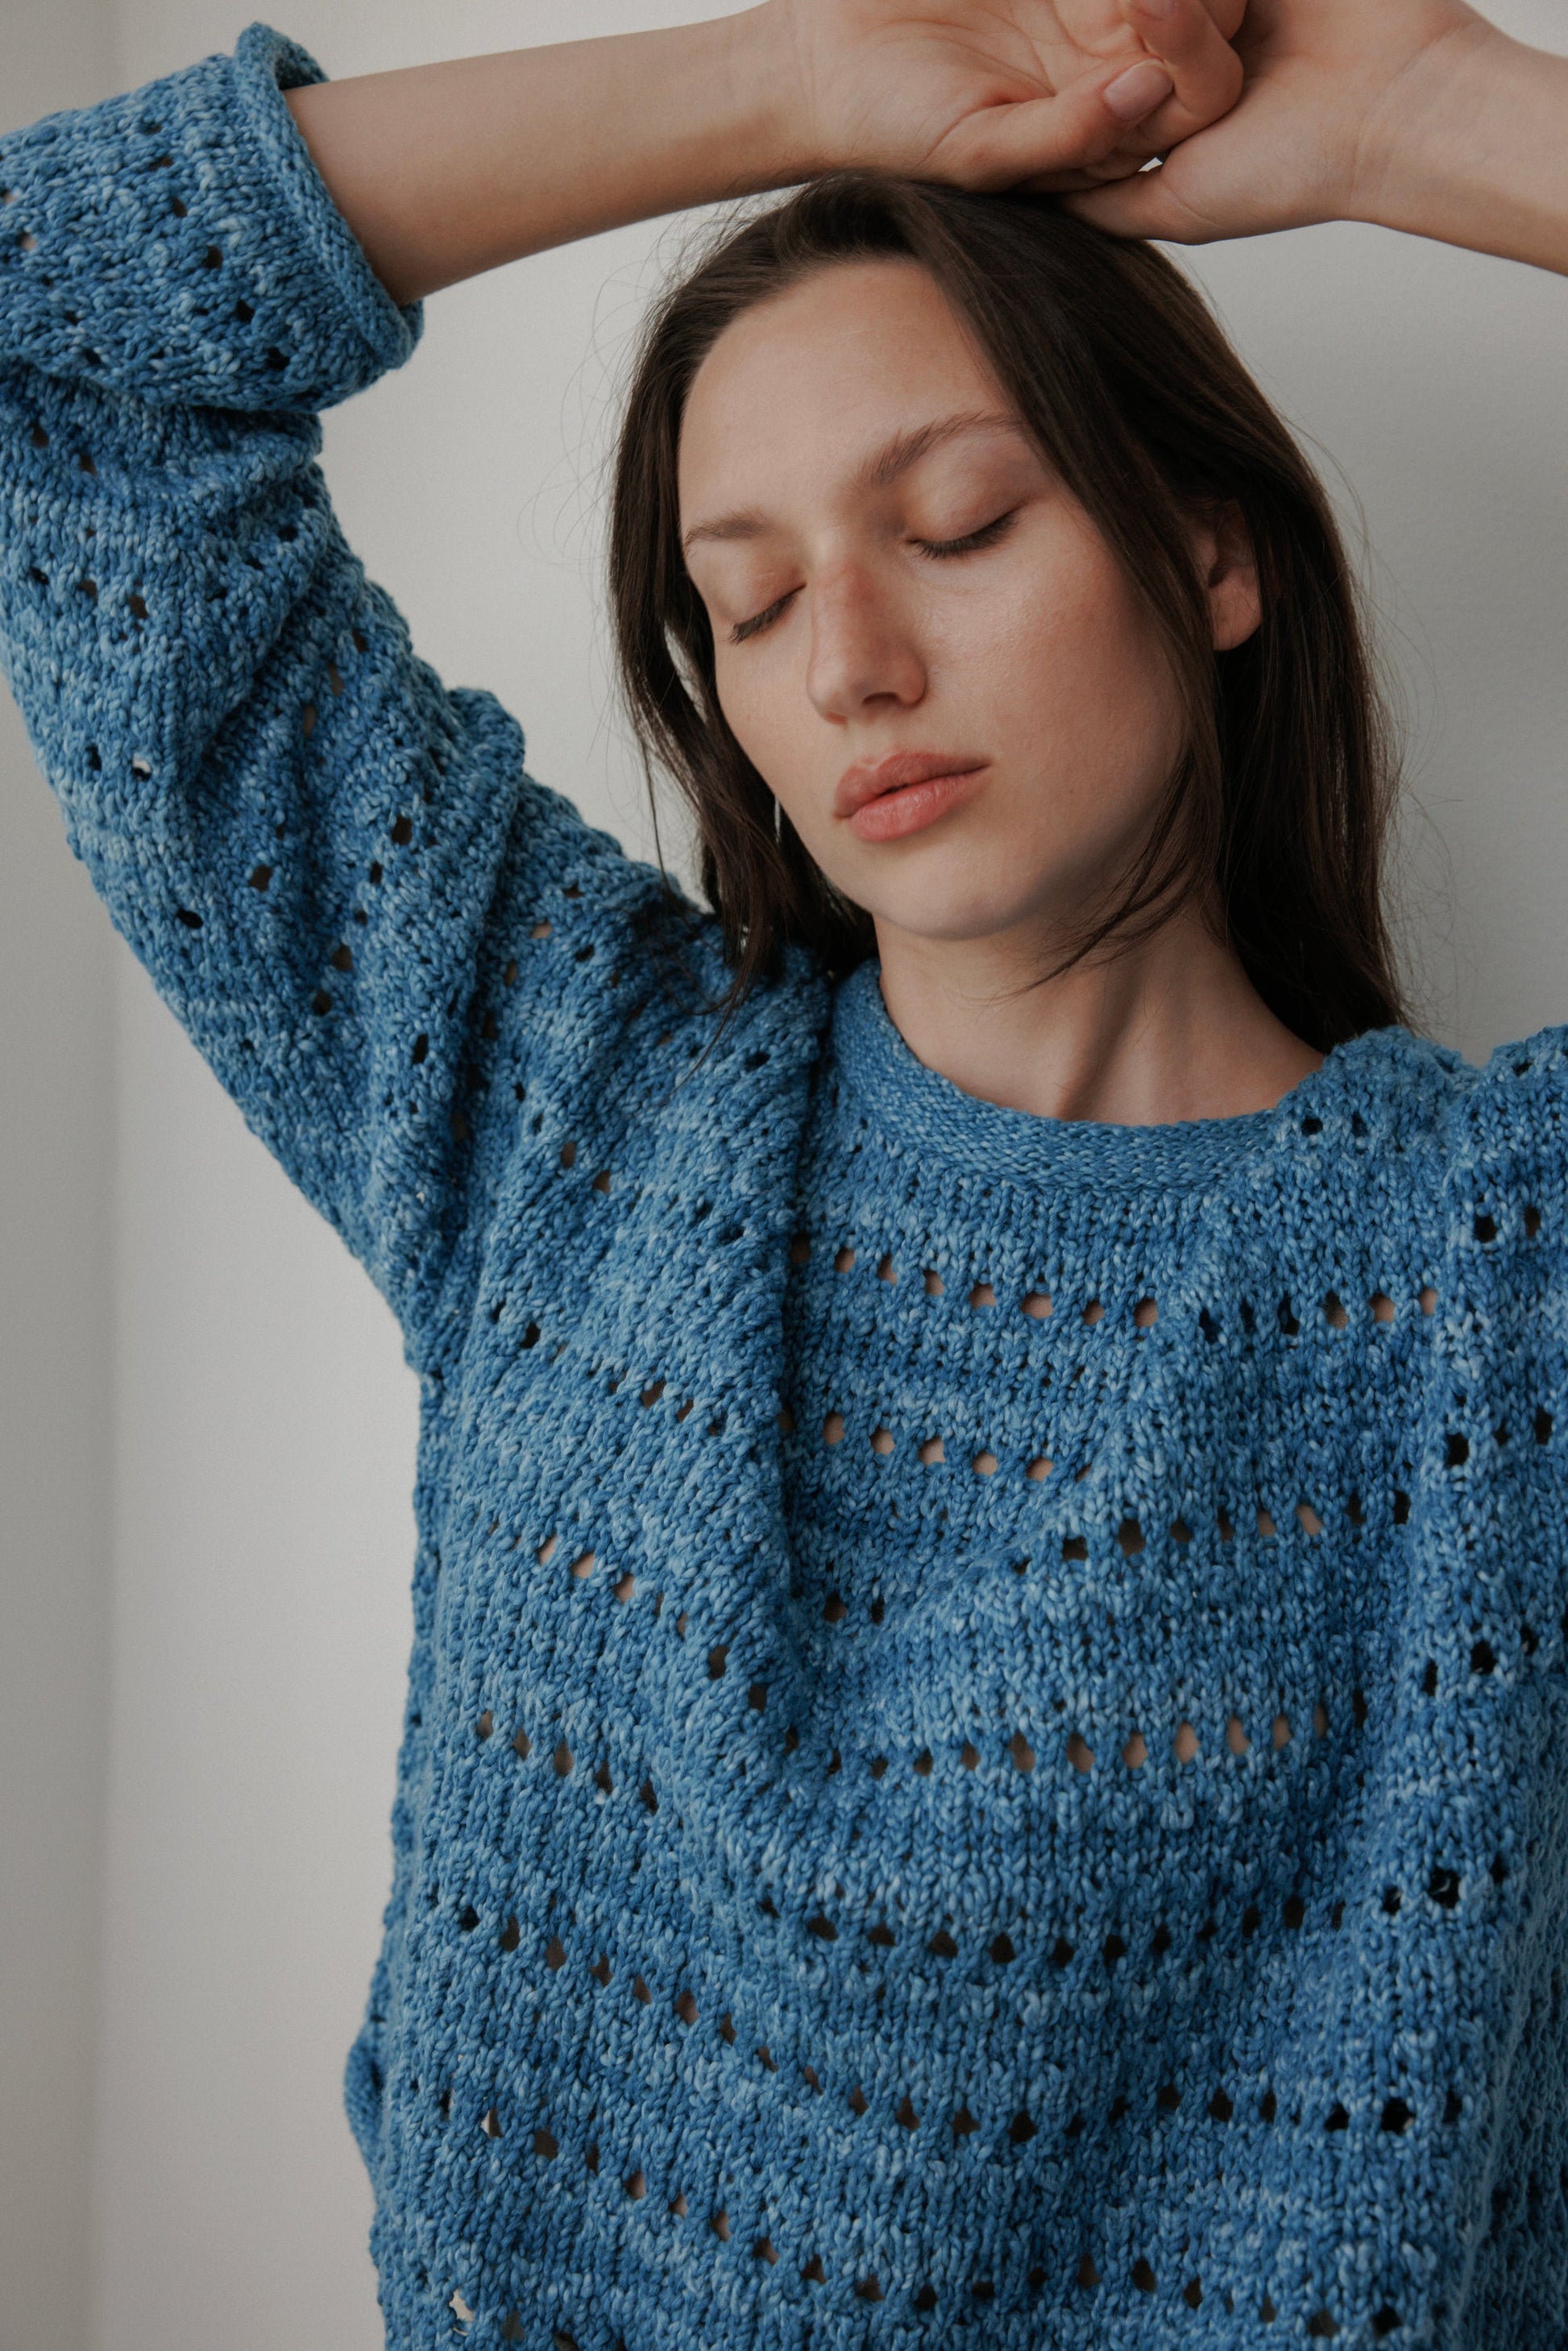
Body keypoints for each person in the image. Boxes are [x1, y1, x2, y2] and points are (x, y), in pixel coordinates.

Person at [2, 0, 1566, 2340]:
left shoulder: (1497, 1288)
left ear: (1209, 552)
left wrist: (1440, 115)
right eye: (742, 599)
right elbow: (55, 342)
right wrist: (817, 73)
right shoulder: (559, 1107)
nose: (844, 659)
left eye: (953, 522)